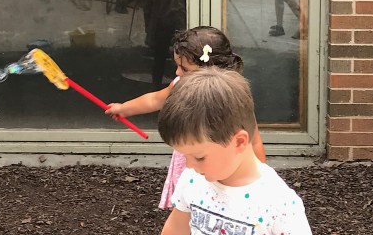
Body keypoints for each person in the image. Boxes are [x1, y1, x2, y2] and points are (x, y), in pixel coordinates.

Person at [155, 68, 317, 235]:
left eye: (199, 157)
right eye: (185, 156)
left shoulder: (279, 203)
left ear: (239, 141)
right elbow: (176, 230)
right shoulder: (192, 180)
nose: (189, 166)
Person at [106, 26, 267, 209]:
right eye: (177, 65)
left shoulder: (232, 100)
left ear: (211, 69)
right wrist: (124, 108)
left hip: (222, 169)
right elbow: (154, 99)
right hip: (191, 164)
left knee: (222, 212)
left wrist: (260, 179)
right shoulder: (180, 85)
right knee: (187, 212)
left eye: (184, 68)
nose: (177, 73)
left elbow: (254, 141)